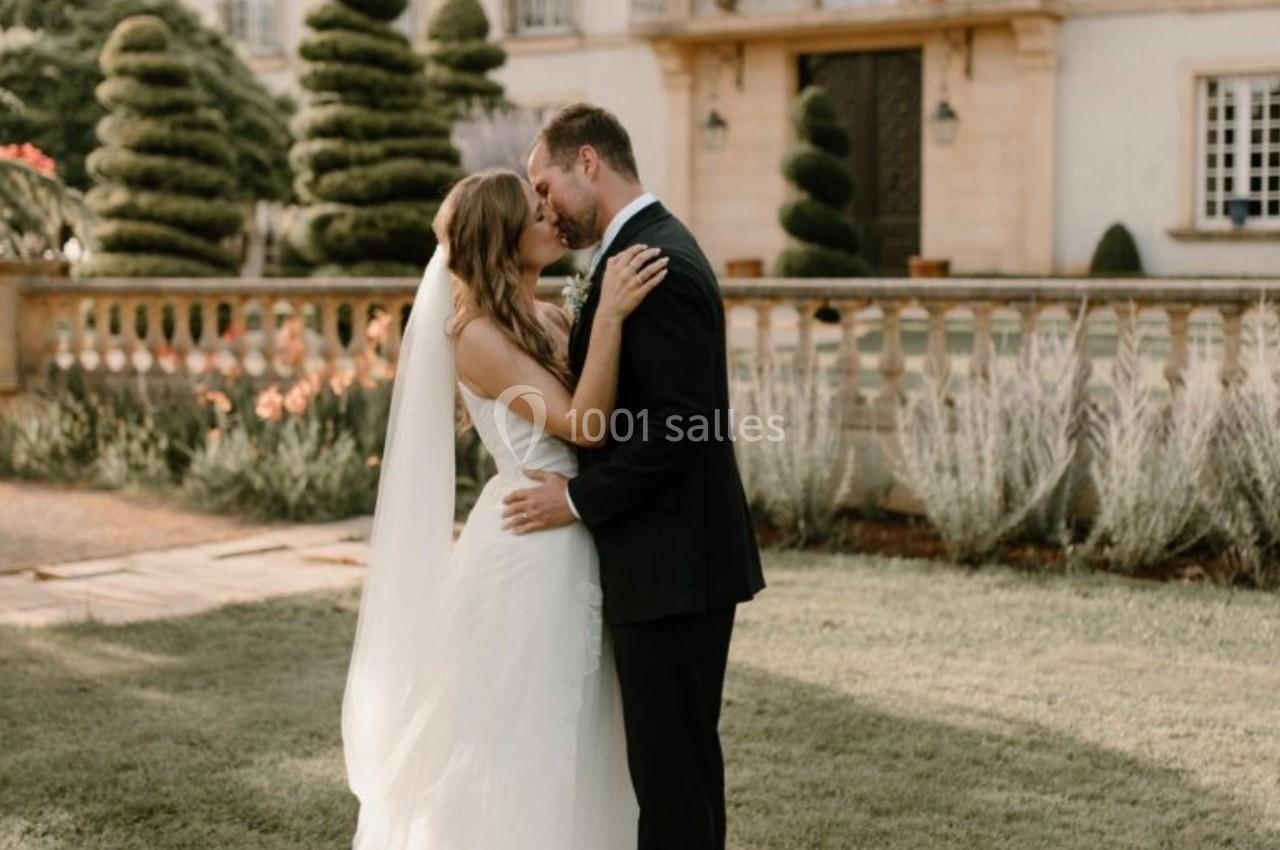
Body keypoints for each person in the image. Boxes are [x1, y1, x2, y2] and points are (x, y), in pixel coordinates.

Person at [341, 167, 669, 849]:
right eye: (534, 211)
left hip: (572, 526)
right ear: (500, 236)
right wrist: (607, 313)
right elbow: (582, 425)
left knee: (579, 721)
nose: (551, 215)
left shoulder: (547, 315)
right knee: (523, 725)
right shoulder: (478, 338)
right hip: (529, 541)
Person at [505, 102, 767, 850]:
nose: (544, 205)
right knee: (679, 766)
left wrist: (578, 500)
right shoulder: (635, 253)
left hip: (674, 563)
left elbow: (682, 429)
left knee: (669, 777)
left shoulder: (660, 264)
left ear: (588, 162)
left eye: (545, 184)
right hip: (668, 560)